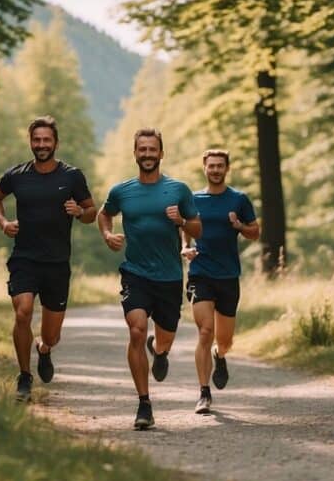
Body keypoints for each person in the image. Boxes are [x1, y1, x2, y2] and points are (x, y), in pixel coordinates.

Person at [98, 128, 201, 429]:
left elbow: (198, 229)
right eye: (141, 149)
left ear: (161, 153)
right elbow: (104, 214)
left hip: (169, 277)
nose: (147, 154)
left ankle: (160, 350)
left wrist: (181, 221)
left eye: (152, 149)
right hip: (136, 273)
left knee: (164, 337)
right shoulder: (121, 191)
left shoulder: (179, 189)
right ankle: (144, 404)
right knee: (136, 331)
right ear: (135, 153)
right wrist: (107, 234)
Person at [0, 116, 96, 402]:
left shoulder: (72, 176)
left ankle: (44, 349)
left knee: (52, 335)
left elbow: (91, 213)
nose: (42, 145)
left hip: (57, 263)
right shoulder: (18, 175)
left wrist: (78, 211)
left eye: (47, 140)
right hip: (24, 258)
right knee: (22, 311)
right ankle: (24, 376)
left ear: (56, 143)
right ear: (31, 142)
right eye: (37, 140)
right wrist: (3, 223)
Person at [181, 150, 259, 414]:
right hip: (200, 272)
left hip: (227, 275)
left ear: (227, 168)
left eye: (219, 166)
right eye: (211, 166)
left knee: (224, 340)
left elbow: (255, 233)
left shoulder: (238, 199)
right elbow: (186, 228)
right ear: (204, 168)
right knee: (205, 331)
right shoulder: (192, 199)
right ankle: (204, 393)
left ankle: (220, 355)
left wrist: (238, 226)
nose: (215, 170)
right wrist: (185, 247)